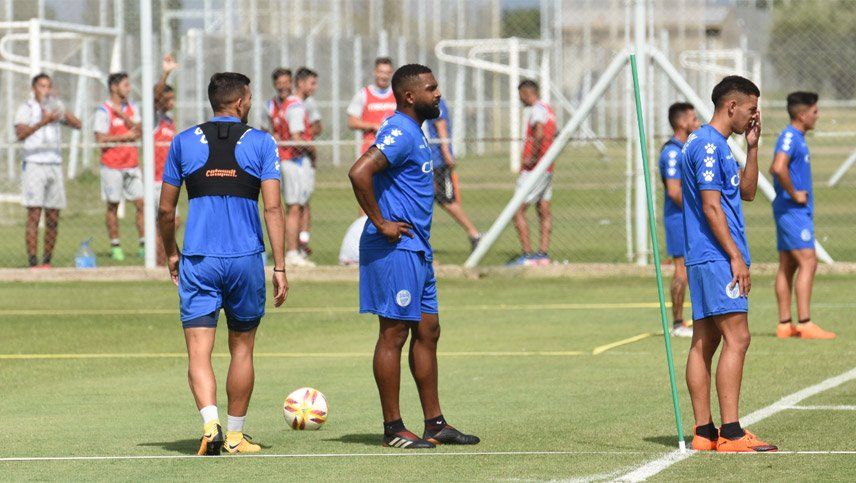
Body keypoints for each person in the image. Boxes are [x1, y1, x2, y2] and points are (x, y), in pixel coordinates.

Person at [348, 63, 479, 449]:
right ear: (409, 96)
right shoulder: (400, 131)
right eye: (431, 88)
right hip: (394, 247)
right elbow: (359, 172)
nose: (438, 94)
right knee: (394, 333)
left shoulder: (416, 132)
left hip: (417, 247)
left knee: (428, 330)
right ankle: (393, 428)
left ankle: (434, 424)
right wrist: (381, 223)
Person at [158, 72, 287, 456]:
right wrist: (280, 266)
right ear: (242, 102)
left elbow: (165, 210)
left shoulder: (183, 141)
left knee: (198, 351)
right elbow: (273, 208)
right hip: (245, 259)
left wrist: (171, 252)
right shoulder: (261, 142)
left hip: (199, 259)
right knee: (242, 348)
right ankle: (234, 436)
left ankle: (209, 423)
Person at [682, 75, 776, 453]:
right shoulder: (708, 145)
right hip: (716, 255)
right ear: (731, 106)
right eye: (751, 109)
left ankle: (704, 433)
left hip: (705, 256)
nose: (754, 116)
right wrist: (735, 256)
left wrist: (752, 148)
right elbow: (710, 206)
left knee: (705, 341)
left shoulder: (714, 144)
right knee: (738, 338)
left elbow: (747, 192)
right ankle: (732, 433)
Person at [770, 92, 835, 340]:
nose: (817, 116)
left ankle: (785, 324)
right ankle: (805, 323)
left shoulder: (796, 137)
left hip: (791, 210)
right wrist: (794, 193)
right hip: (792, 210)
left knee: (788, 264)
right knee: (809, 261)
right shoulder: (790, 136)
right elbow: (778, 167)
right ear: (802, 114)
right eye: (815, 111)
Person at [14, 73, 81, 268]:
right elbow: (20, 134)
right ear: (34, 88)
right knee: (34, 214)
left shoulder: (55, 107)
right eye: (42, 86)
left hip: (54, 164)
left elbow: (77, 124)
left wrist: (61, 109)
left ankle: (47, 261)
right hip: (34, 163)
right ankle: (32, 262)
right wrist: (44, 121)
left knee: (53, 215)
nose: (46, 90)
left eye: (48, 86)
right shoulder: (26, 108)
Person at [658, 102, 700, 337]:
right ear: (682, 122)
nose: (698, 123)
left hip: (689, 218)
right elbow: (674, 191)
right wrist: (699, 211)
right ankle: (677, 323)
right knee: (681, 270)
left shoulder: (686, 149)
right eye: (694, 119)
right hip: (679, 219)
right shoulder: (672, 153)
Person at [94, 72, 143, 261]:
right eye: (125, 85)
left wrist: (122, 115)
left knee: (142, 204)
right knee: (113, 205)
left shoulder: (132, 108)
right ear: (114, 87)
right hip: (111, 165)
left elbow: (139, 131)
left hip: (132, 164)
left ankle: (143, 244)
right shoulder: (103, 111)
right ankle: (115, 246)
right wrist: (124, 137)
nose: (129, 88)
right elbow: (100, 139)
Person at [423, 98, 482, 251]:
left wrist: (447, 154)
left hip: (437, 162)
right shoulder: (425, 102)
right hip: (428, 161)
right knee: (428, 198)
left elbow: (441, 127)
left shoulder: (435, 103)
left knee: (446, 199)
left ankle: (474, 234)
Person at [508, 79, 556, 266]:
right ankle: (543, 255)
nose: (520, 99)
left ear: (526, 93)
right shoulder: (548, 109)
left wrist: (532, 156)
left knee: (517, 210)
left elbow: (539, 133)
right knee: (543, 210)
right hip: (547, 167)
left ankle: (527, 256)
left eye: (520, 95)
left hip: (535, 169)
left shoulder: (537, 110)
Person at [277, 67, 318, 267]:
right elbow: (295, 137)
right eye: (312, 83)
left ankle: (297, 250)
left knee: (299, 206)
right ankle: (292, 252)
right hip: (293, 161)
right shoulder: (296, 107)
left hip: (294, 161)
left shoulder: (292, 104)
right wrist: (312, 148)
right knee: (294, 208)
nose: (314, 87)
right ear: (300, 83)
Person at [154, 54, 179, 266]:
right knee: (165, 222)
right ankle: (158, 261)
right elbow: (156, 95)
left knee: (172, 222)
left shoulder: (170, 121)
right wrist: (165, 74)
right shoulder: (154, 118)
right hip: (155, 180)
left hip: (169, 179)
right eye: (168, 98)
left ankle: (161, 260)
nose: (172, 102)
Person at [347, 57, 396, 155]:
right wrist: (373, 126)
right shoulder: (363, 94)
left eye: (387, 73)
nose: (384, 76)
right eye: (381, 72)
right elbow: (352, 122)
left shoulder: (398, 94)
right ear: (375, 72)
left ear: (392, 73)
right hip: (371, 150)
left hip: (394, 148)